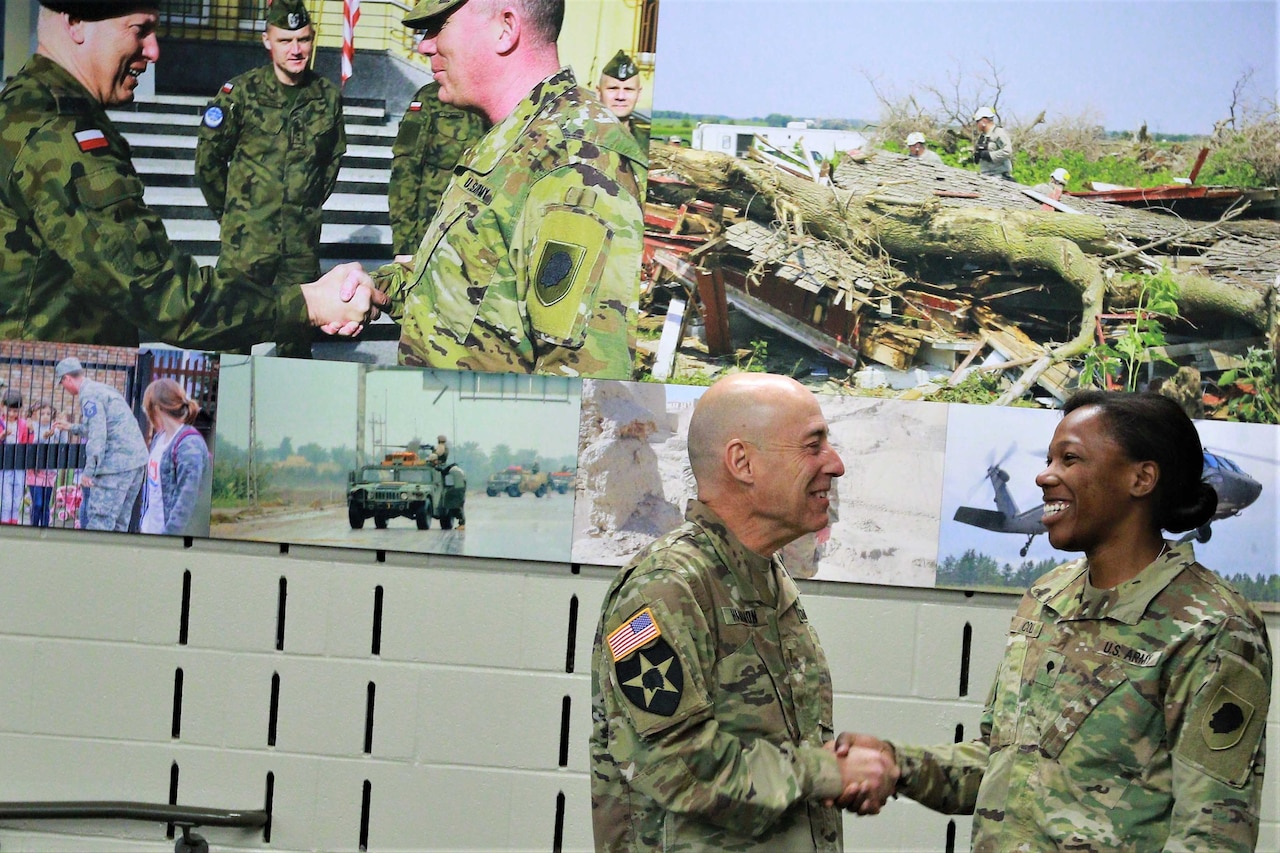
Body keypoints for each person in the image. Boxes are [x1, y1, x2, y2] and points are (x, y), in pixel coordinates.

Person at [836, 391, 1272, 852]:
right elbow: (1003, 762)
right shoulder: (1048, 597)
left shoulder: (1212, 626)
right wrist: (895, 763)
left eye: (1070, 459)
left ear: (1141, 478)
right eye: (1048, 459)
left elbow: (1211, 836)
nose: (1045, 476)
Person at [590, 373, 894, 851]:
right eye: (813, 447)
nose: (835, 466)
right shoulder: (667, 587)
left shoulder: (766, 579)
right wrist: (826, 771)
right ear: (742, 462)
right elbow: (677, 765)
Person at [0, 0, 384, 352]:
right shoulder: (57, 134)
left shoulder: (36, 111)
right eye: (140, 29)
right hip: (41, 399)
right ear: (77, 22)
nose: (154, 51)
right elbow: (162, 295)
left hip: (56, 383)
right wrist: (311, 303)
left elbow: (329, 163)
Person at [373, 0, 647, 379]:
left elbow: (579, 381)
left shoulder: (575, 164)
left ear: (505, 29)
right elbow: (477, 294)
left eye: (441, 26)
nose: (425, 44)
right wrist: (381, 288)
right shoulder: (516, 137)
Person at [194, 0, 347, 356]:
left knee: (296, 345)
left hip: (300, 248)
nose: (296, 50)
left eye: (304, 40)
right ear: (267, 41)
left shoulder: (326, 98)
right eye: (285, 41)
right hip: (246, 245)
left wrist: (302, 207)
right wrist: (233, 214)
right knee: (233, 339)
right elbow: (208, 163)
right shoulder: (240, 94)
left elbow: (330, 164)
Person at [388, 80, 487, 256]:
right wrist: (404, 246)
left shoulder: (504, 93)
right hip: (435, 237)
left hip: (486, 238)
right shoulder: (431, 98)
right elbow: (405, 170)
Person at [52, 357, 148, 532]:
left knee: (100, 522)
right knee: (120, 522)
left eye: (62, 383)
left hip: (114, 466)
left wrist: (89, 472)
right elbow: (107, 426)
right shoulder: (102, 389)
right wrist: (72, 427)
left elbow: (97, 435)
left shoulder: (89, 395)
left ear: (67, 378)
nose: (64, 388)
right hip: (136, 463)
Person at [139, 378, 212, 537]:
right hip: (149, 529)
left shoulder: (189, 446)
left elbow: (186, 503)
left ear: (156, 409)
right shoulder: (159, 438)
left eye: (147, 410)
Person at [597, 49, 649, 151]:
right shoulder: (582, 137)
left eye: (628, 89)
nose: (620, 97)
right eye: (613, 88)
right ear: (599, 93)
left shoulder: (647, 143)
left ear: (639, 94)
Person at [25, 402, 65, 529]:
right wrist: (44, 436)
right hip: (35, 471)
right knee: (37, 503)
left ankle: (45, 528)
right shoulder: (33, 426)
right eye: (42, 414)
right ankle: (34, 527)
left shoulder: (54, 427)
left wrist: (62, 428)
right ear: (34, 415)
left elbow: (63, 443)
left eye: (48, 413)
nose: (46, 416)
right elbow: (33, 442)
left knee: (45, 504)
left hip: (49, 472)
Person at [0, 390, 33, 524]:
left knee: (17, 499)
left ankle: (13, 523)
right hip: (4, 466)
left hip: (18, 465)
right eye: (10, 410)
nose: (13, 414)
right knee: (6, 500)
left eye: (16, 411)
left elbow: (27, 445)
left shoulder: (23, 424)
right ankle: (4, 523)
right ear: (2, 406)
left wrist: (30, 431)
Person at [971, 107, 1013, 180]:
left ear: (984, 120)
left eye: (977, 121)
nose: (976, 124)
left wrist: (990, 156)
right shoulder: (982, 136)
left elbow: (1007, 151)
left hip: (999, 175)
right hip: (985, 174)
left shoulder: (998, 132)